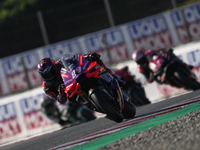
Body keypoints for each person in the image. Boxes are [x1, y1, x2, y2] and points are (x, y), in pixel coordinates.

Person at [37, 52, 126, 106]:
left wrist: (87, 56)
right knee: (79, 102)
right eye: (45, 75)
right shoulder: (47, 87)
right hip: (72, 92)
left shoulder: (60, 63)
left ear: (54, 67)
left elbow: (76, 58)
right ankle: (98, 105)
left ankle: (115, 78)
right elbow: (60, 101)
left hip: (76, 77)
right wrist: (61, 93)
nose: (49, 76)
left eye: (50, 73)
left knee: (96, 61)